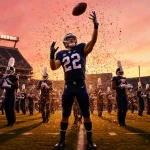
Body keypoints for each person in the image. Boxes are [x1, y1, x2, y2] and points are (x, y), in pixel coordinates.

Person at [50, 11, 98, 148]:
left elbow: (92, 42)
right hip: (69, 86)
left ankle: (89, 141)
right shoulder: (61, 53)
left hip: (81, 85)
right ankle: (61, 140)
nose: (72, 39)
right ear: (65, 41)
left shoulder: (81, 48)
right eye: (69, 38)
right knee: (65, 113)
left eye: (73, 38)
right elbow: (54, 67)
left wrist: (95, 27)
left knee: (86, 113)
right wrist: (51, 56)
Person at [112, 60, 133, 126]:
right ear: (117, 72)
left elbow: (126, 85)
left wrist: (129, 86)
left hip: (124, 95)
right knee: (120, 109)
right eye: (120, 71)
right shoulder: (115, 78)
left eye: (121, 71)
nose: (121, 72)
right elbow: (113, 86)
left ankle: (123, 121)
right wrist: (120, 86)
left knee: (125, 109)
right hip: (119, 95)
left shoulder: (124, 78)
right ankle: (120, 122)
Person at [0, 57, 19, 126]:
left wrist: (8, 85)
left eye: (8, 71)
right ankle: (9, 122)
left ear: (12, 71)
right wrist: (2, 83)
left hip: (12, 94)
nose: (7, 72)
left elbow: (16, 86)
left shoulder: (15, 77)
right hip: (7, 95)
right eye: (7, 71)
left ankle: (13, 121)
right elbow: (1, 86)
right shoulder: (5, 77)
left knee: (11, 108)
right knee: (6, 109)